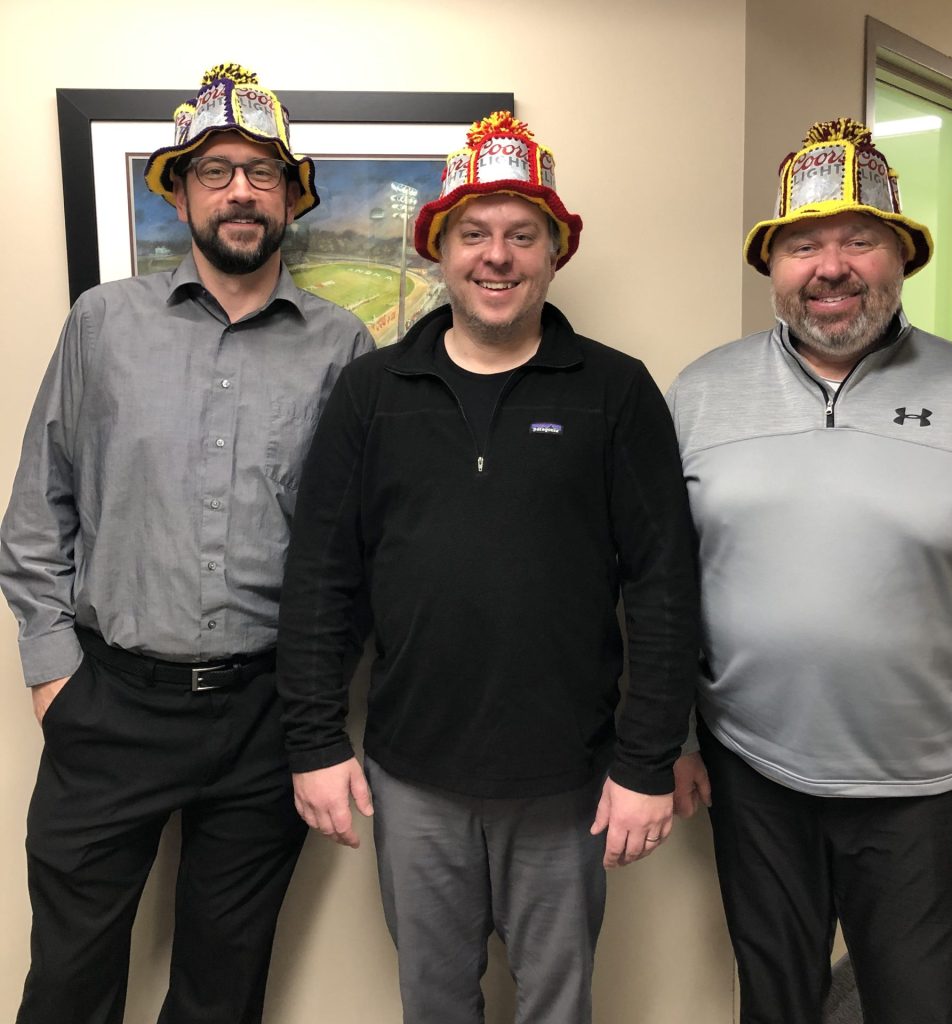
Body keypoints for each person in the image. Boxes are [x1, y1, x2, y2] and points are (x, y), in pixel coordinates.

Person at [275, 111, 700, 1023]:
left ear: (555, 254)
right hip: (411, 772)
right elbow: (321, 579)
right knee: (434, 1000)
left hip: (571, 777)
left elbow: (664, 587)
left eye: (521, 235)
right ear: (439, 248)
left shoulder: (616, 391)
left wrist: (647, 761)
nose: (497, 257)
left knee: (556, 1001)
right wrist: (313, 739)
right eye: (474, 234)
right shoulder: (372, 393)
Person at [0, 63, 373, 1024]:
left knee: (222, 990)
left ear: (293, 196)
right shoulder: (102, 324)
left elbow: (358, 551)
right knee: (69, 985)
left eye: (262, 172)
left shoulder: (344, 350)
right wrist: (54, 677)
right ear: (179, 191)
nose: (240, 191)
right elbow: (39, 515)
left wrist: (317, 705)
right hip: (107, 704)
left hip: (264, 717)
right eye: (215, 171)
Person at [667, 118, 952, 1024]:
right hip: (752, 769)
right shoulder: (700, 392)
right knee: (776, 1003)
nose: (831, 267)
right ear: (773, 265)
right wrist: (670, 739)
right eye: (803, 245)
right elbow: (664, 583)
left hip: (930, 789)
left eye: (859, 240)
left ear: (901, 257)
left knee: (924, 1007)